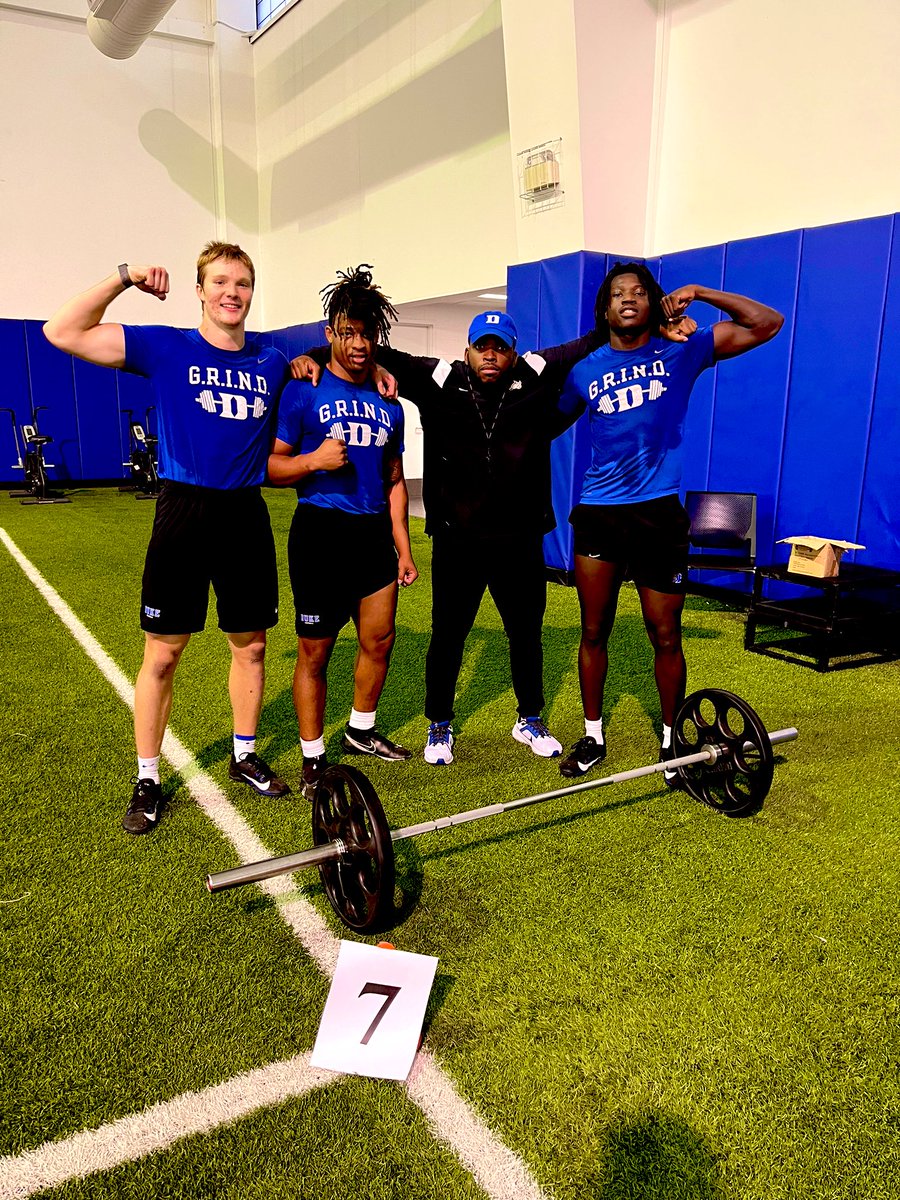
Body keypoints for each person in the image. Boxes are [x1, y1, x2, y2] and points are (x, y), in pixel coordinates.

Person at [43, 243, 294, 834]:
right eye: (221, 282)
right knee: (164, 652)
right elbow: (62, 331)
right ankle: (148, 774)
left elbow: (333, 371)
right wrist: (124, 277)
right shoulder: (165, 347)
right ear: (200, 291)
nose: (233, 292)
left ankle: (244, 754)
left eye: (243, 283)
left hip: (244, 515)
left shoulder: (275, 361)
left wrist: (375, 372)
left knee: (252, 646)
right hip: (184, 509)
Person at [294, 311, 614, 765]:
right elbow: (376, 352)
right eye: (482, 345)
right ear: (467, 349)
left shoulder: (535, 372)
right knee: (448, 636)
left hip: (518, 539)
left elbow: (586, 344)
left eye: (500, 347)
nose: (490, 354)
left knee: (525, 634)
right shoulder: (438, 379)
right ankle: (439, 723)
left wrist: (639, 325)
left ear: (513, 352)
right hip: (456, 539)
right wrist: (309, 357)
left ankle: (529, 719)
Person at [556, 262, 783, 780]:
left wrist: (701, 292)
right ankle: (592, 737)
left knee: (666, 634)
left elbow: (766, 323)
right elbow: (543, 423)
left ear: (654, 303)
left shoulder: (683, 351)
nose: (628, 298)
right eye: (618, 293)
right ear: (606, 308)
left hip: (658, 514)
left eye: (639, 291)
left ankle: (671, 744)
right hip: (599, 514)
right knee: (594, 631)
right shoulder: (584, 369)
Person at [268, 266, 417, 799]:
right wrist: (313, 460)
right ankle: (313, 758)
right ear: (330, 332)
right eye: (347, 332)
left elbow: (396, 480)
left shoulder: (389, 401)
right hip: (320, 533)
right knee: (315, 652)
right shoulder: (303, 390)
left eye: (366, 333)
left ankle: (360, 729)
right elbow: (271, 467)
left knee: (379, 639)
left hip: (372, 535)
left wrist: (403, 549)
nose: (357, 344)